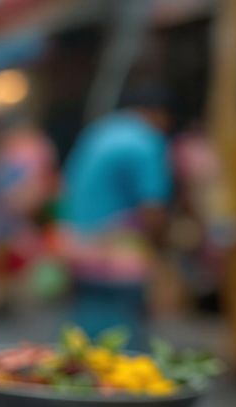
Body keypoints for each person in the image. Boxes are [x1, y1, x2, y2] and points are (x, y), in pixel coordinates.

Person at [58, 86, 173, 347]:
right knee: (122, 338)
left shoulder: (99, 132)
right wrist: (161, 253)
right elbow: (152, 207)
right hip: (118, 253)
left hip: (77, 245)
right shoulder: (146, 140)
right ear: (157, 114)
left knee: (87, 327)